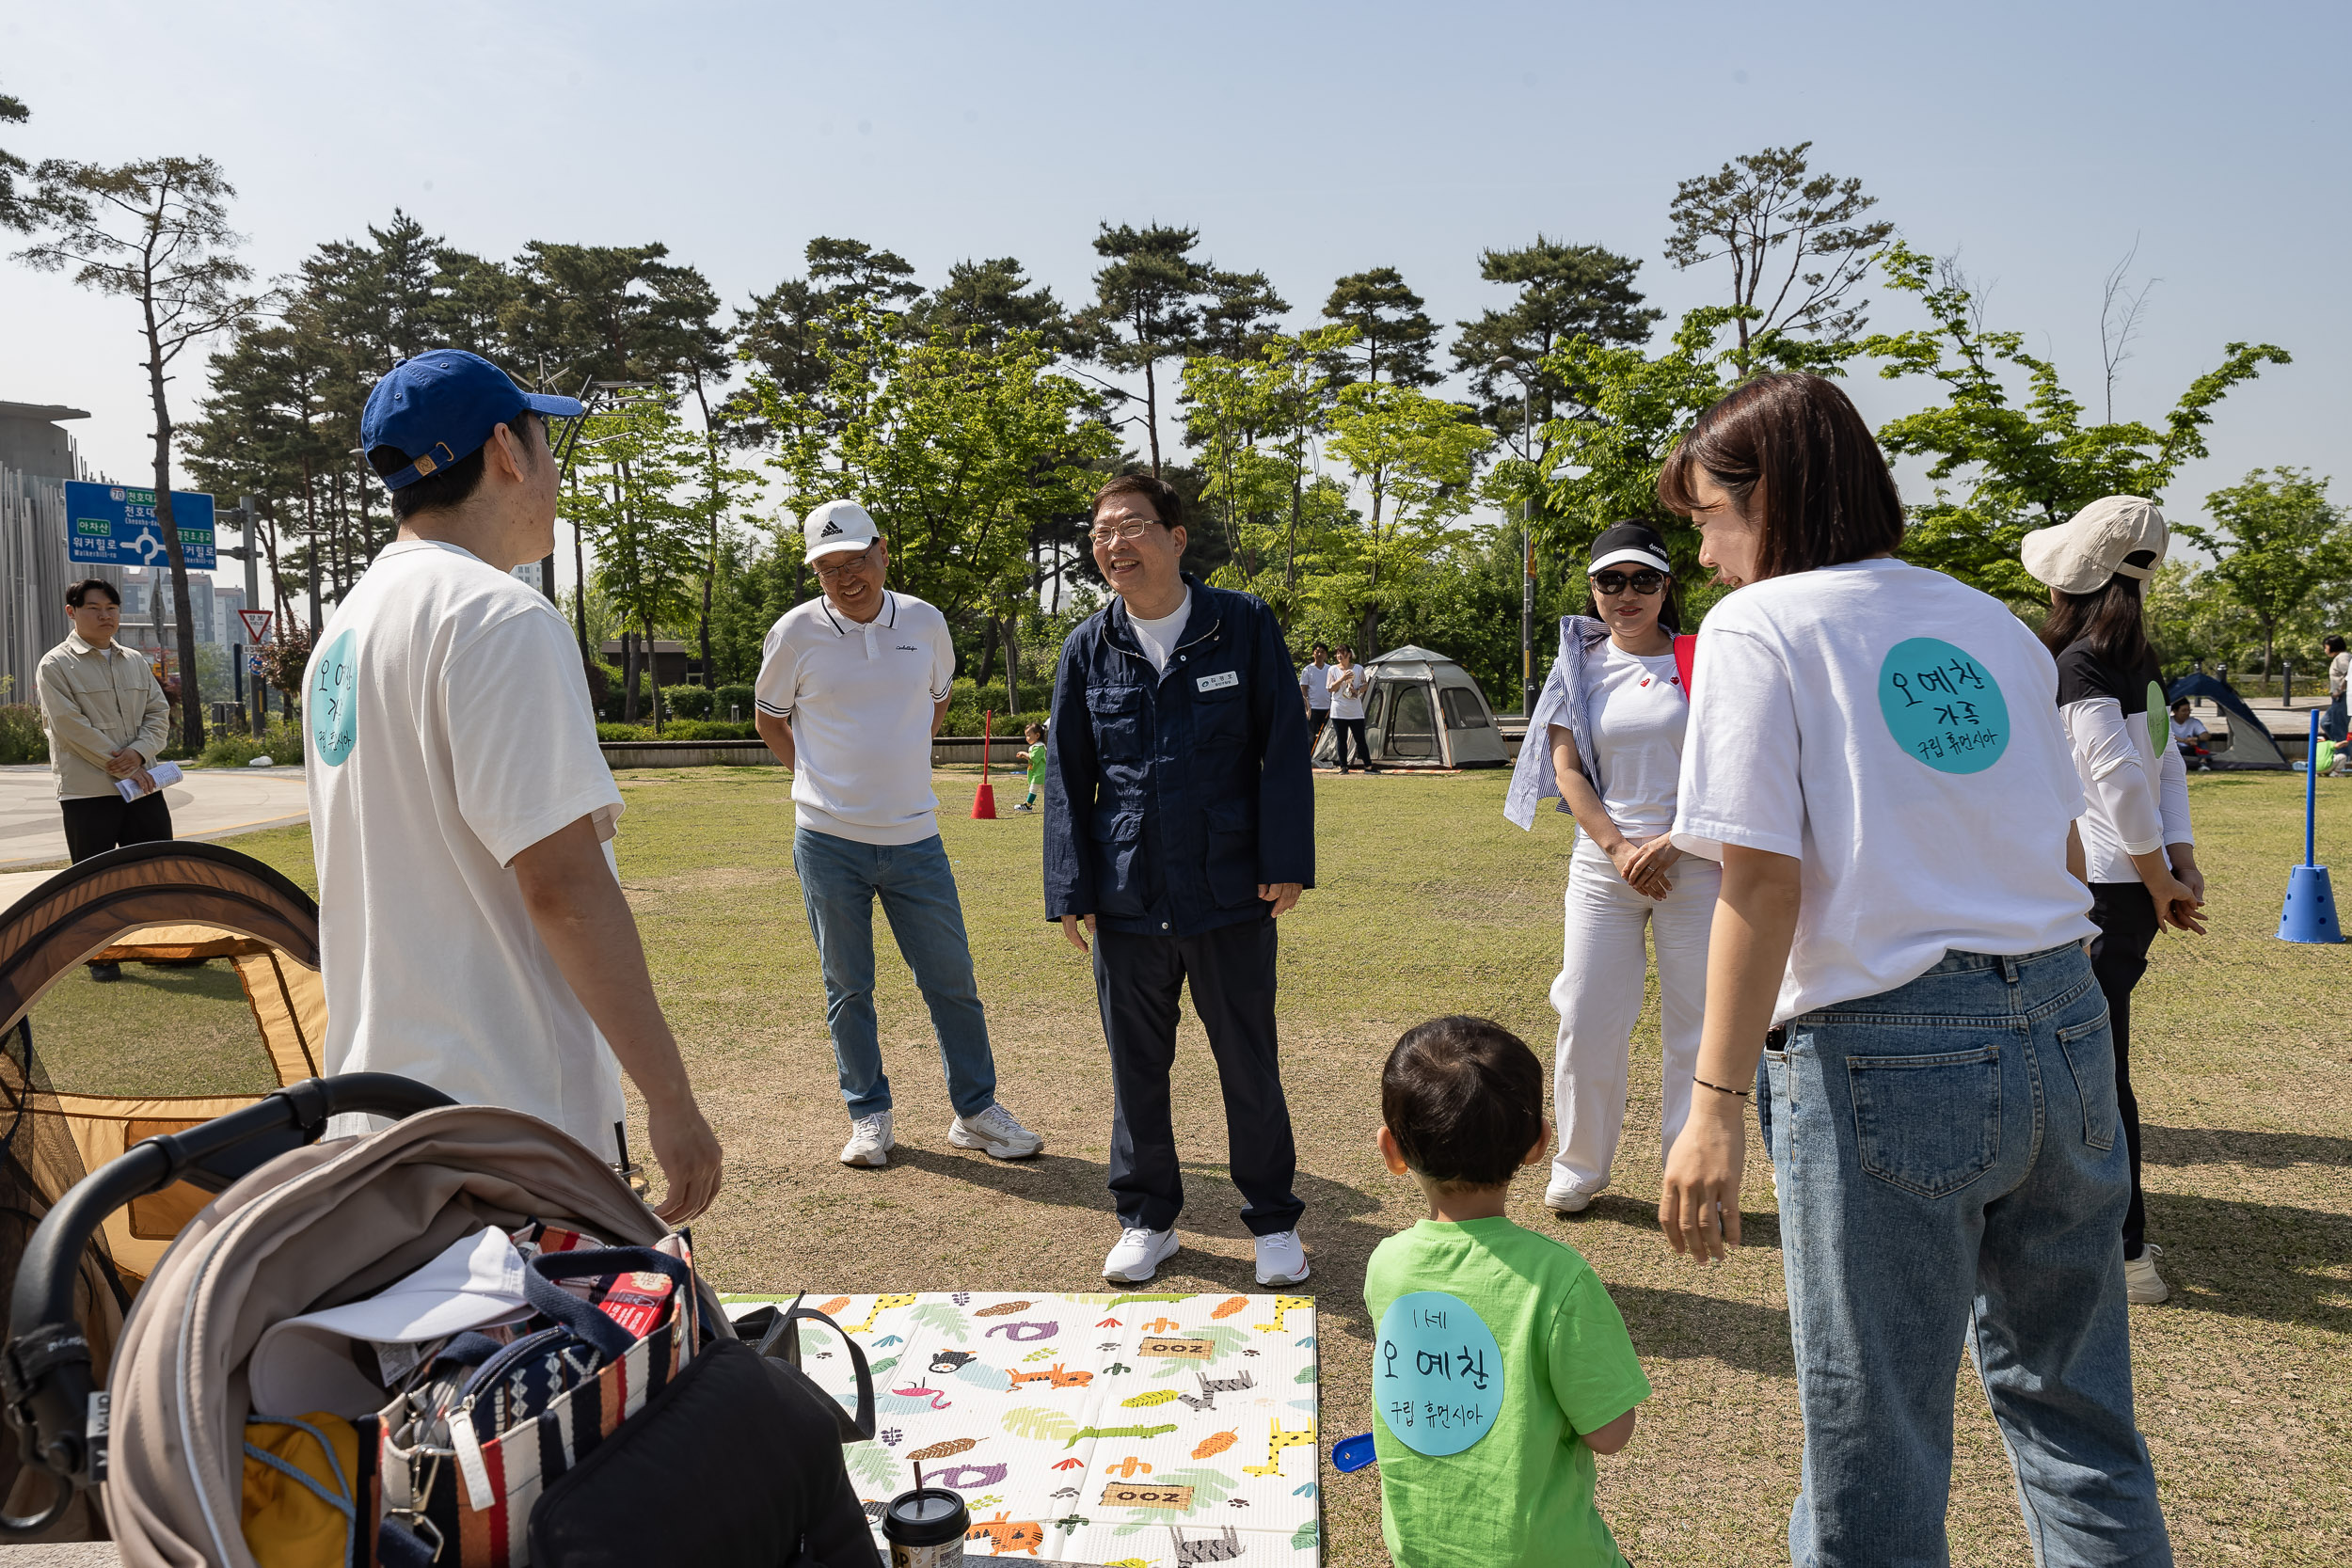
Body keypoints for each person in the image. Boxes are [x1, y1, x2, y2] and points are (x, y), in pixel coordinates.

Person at [1655, 373, 2171, 1565]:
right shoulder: (1988, 620)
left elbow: (1761, 881)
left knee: (1873, 1442)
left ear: (1767, 501)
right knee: (2076, 1411)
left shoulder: (1760, 624)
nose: (1703, 549)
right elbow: (2053, 840)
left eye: (1707, 518)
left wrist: (1713, 1105)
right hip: (2060, 1012)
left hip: (1887, 1046)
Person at [312, 349, 721, 1225]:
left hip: (374, 1106)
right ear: (506, 448)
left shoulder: (342, 633)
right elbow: (563, 884)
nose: (553, 466)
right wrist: (672, 1099)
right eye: (544, 437)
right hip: (511, 1118)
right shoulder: (495, 615)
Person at [1041, 473, 1314, 1286]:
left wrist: (1285, 861)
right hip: (1128, 892)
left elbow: (1283, 747)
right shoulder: (1090, 645)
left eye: (1131, 527)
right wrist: (1071, 887)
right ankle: (1147, 1216)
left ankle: (1272, 1220)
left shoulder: (1241, 624)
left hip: (1230, 889)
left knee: (1247, 1059)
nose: (1113, 545)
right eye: (1100, 534)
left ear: (1175, 537)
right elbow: (1068, 771)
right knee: (1136, 1065)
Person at [755, 499, 1042, 1169]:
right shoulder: (793, 632)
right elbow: (771, 718)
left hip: (916, 837)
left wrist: (900, 759)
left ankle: (975, 1111)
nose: (846, 576)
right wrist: (815, 778)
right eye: (828, 567)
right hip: (826, 840)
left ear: (883, 551)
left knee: (952, 979)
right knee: (847, 985)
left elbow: (935, 698)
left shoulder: (925, 621)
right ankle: (869, 1115)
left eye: (856, 559)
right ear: (815, 573)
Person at [1364, 1015, 1649, 1568]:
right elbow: (1610, 1432)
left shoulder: (1387, 1265)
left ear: (1392, 1151)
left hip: (1421, 1548)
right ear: (1538, 1144)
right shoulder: (1559, 1278)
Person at [2023, 496, 2205, 1306]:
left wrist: (2164, 873)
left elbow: (2122, 779)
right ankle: (2116, 1240)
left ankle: (2122, 1249)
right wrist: (2176, 864)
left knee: (2089, 1071)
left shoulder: (2080, 664)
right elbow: (2164, 768)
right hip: (2129, 889)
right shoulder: (2138, 658)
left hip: (2094, 887)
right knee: (2099, 1063)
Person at [1504, 521, 1715, 1215]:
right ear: (1592, 588)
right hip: (1605, 866)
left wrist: (1676, 842)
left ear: (1666, 586)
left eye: (1643, 579)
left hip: (1694, 862)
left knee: (1697, 1022)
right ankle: (1579, 1165)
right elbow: (1566, 767)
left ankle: (1688, 1173)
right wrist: (1621, 849)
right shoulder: (1578, 663)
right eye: (1610, 580)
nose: (1626, 594)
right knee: (1589, 1014)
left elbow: (1731, 764)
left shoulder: (1704, 656)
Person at [38, 578, 173, 982]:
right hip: (88, 791)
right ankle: (101, 956)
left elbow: (158, 713)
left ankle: (156, 946)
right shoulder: (56, 664)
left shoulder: (133, 660)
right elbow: (68, 726)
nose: (105, 615)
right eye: (94, 607)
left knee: (154, 868)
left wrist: (141, 752)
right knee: (93, 876)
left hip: (142, 787)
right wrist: (127, 762)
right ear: (72, 612)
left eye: (111, 607)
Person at [1327, 645, 1375, 772]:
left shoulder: (1358, 669)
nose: (1339, 655)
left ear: (1349, 654)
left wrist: (1357, 690)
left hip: (1355, 710)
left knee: (1360, 739)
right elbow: (1330, 688)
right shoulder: (1332, 670)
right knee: (1341, 739)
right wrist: (1343, 678)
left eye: (1341, 653)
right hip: (1338, 709)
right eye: (1337, 653)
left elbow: (1365, 684)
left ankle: (1368, 766)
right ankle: (1343, 766)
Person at [1299, 641, 1333, 754]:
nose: (1319, 654)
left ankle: (1324, 756)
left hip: (1328, 708)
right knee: (1310, 735)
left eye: (1322, 652)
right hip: (1313, 708)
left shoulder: (1331, 669)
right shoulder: (1307, 669)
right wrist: (1307, 706)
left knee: (1327, 735)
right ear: (1313, 653)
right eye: (1317, 651)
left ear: (1326, 655)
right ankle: (1309, 757)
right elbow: (1303, 688)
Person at [2168, 698, 2213, 769]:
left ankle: (2203, 763)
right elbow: (2168, 735)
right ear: (2175, 711)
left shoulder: (2194, 721)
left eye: (2189, 710)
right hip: (2175, 748)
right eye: (2184, 710)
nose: (2187, 713)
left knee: (2202, 743)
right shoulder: (2168, 721)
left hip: (2190, 748)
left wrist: (2195, 739)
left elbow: (2206, 735)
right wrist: (2184, 740)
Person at [1013, 721, 1047, 813]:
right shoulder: (1036, 746)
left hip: (1040, 773)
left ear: (1037, 735)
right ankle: (1050, 806)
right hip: (1039, 772)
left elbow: (1033, 758)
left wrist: (1024, 753)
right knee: (1046, 791)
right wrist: (1025, 756)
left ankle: (1028, 805)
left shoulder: (1039, 747)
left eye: (1029, 735)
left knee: (1033, 788)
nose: (1027, 738)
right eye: (1026, 735)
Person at [2325, 634, 2348, 744]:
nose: (2325, 650)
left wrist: (2339, 689)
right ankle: (2345, 747)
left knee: (2339, 728)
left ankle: (2344, 755)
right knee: (2326, 722)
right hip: (2340, 698)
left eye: (2326, 647)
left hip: (2343, 696)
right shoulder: (2341, 657)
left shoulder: (2342, 658)